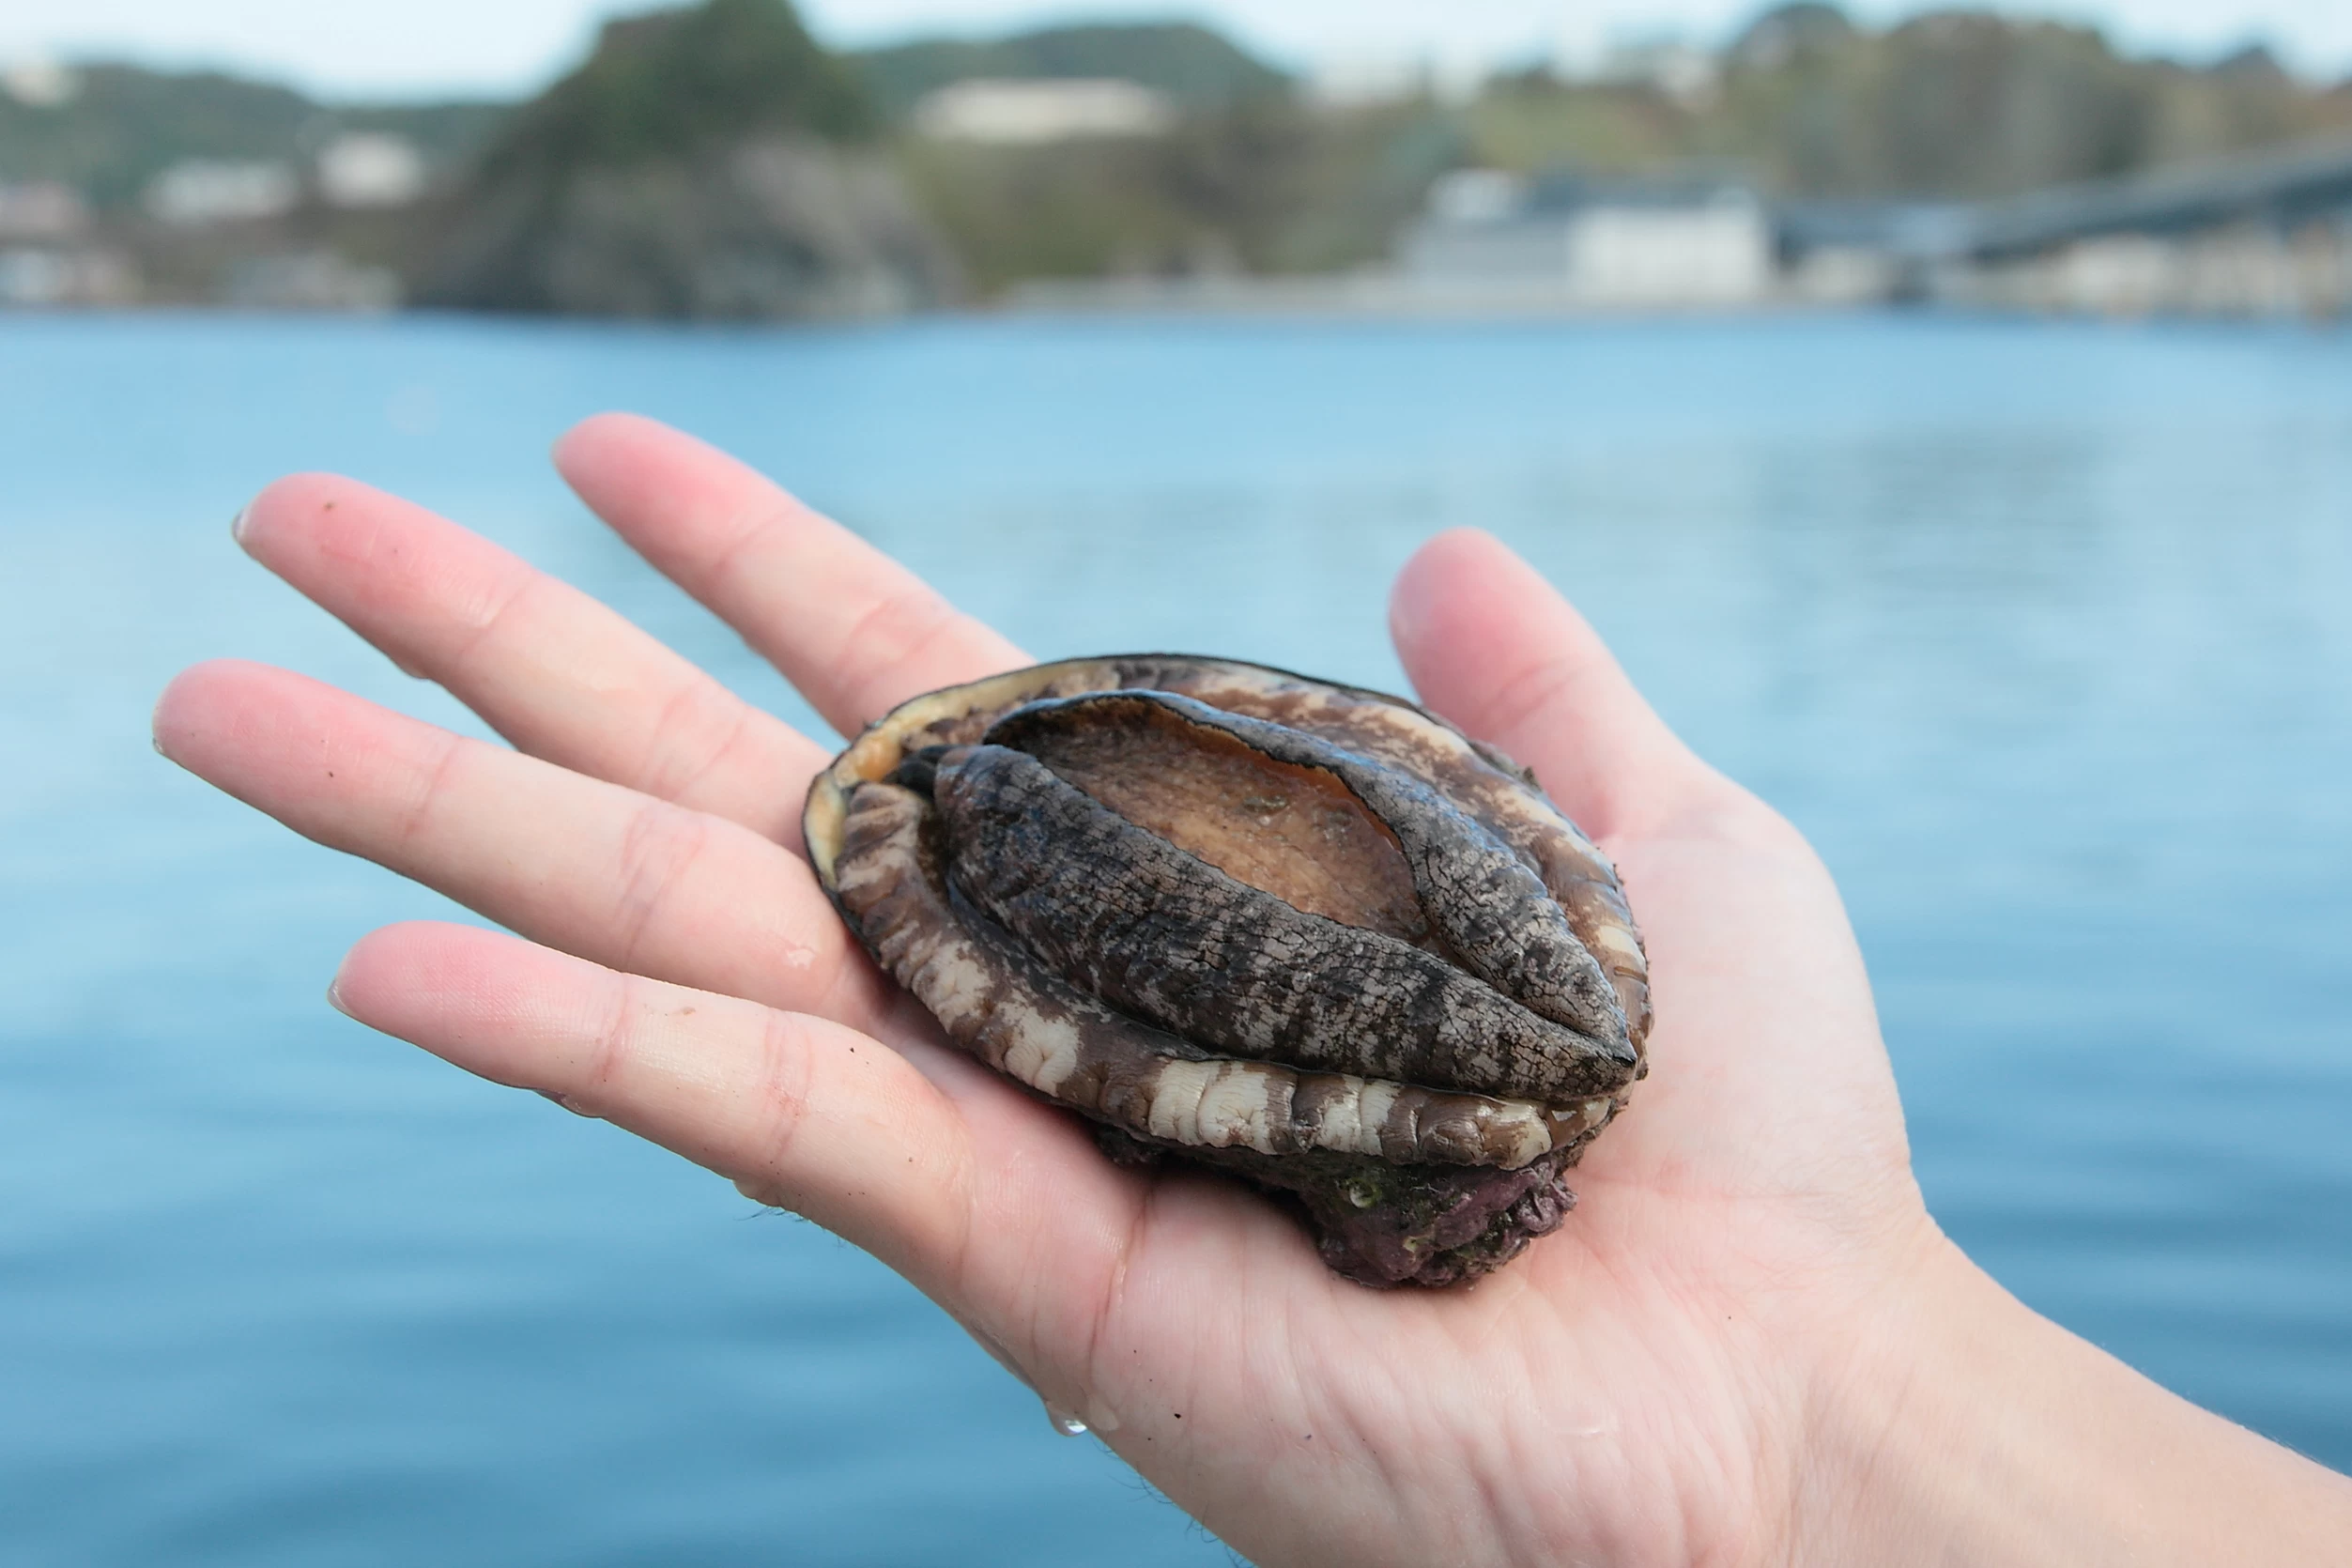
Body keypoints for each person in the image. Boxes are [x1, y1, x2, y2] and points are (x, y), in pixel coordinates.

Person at [154, 413, 2352, 1566]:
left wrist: (1806, 1463)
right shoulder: (1017, 799)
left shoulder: (1564, 1031)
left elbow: (1517, 1049)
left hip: (1268, 986)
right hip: (1069, 836)